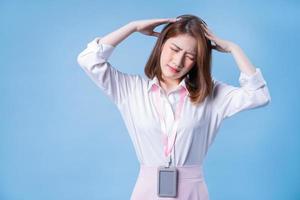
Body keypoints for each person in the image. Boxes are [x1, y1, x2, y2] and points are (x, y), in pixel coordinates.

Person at [77, 14, 271, 200]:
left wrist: (233, 48)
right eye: (175, 49)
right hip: (148, 190)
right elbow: (88, 60)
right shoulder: (131, 90)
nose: (178, 61)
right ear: (161, 45)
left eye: (190, 56)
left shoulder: (211, 94)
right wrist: (133, 26)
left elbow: (259, 96)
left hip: (192, 191)